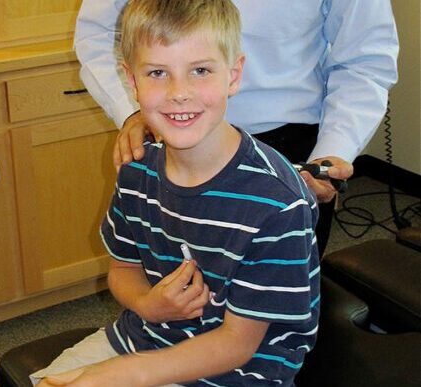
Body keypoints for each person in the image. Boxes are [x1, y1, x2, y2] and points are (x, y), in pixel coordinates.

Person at [31, 1, 319, 386]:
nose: (179, 92)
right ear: (132, 82)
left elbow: (237, 344)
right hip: (143, 339)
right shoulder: (136, 169)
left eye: (200, 70)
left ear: (233, 75)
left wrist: (126, 375)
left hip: (236, 371)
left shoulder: (277, 200)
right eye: (157, 73)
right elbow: (123, 270)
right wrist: (146, 304)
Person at [74, 0, 399, 257]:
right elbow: (97, 33)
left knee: (274, 311)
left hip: (289, 153)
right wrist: (131, 110)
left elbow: (364, 59)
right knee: (166, 289)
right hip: (173, 139)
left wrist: (333, 152)